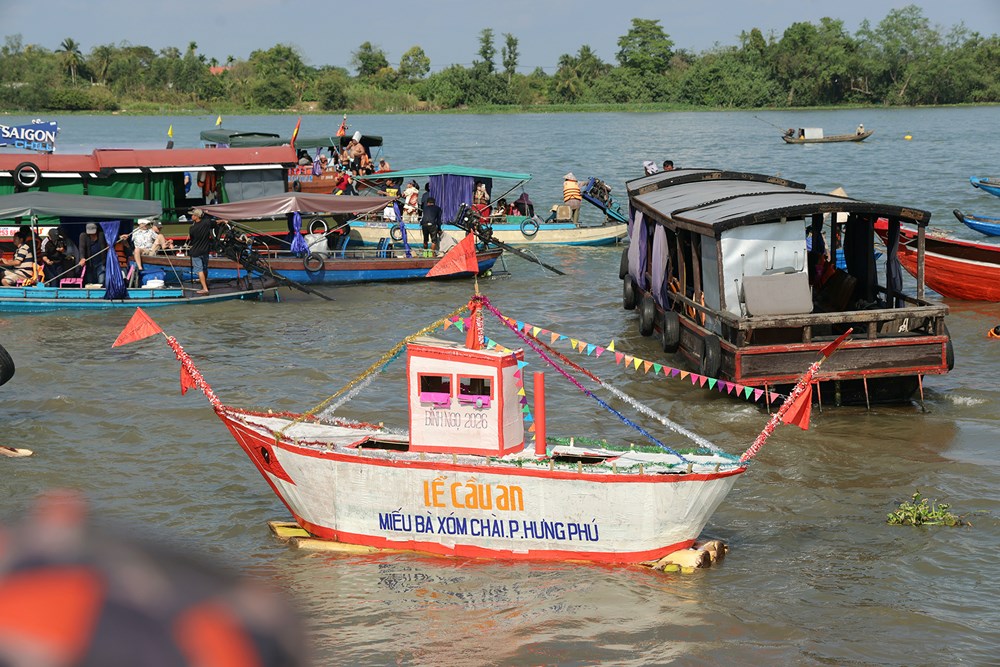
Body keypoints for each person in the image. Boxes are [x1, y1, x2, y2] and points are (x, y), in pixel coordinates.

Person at [187, 208, 215, 295]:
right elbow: (215, 223)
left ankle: (205, 288)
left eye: (192, 215)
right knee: (204, 268)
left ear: (196, 216)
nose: (191, 216)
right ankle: (204, 284)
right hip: (205, 250)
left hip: (196, 251)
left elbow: (192, 240)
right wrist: (223, 221)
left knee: (199, 270)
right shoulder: (206, 222)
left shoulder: (192, 228)